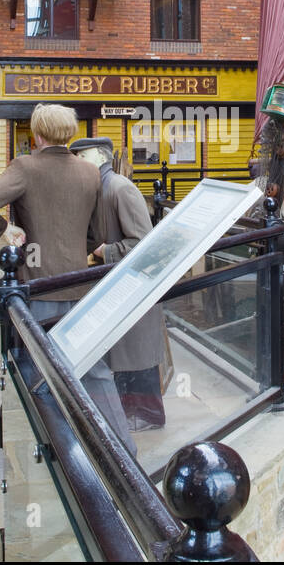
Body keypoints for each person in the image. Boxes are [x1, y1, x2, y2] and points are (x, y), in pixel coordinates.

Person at [0, 104, 137, 454]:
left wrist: (6, 229)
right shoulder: (91, 173)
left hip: (39, 284)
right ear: (70, 134)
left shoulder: (25, 167)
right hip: (81, 282)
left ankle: (62, 451)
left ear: (38, 134)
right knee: (94, 369)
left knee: (40, 370)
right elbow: (93, 234)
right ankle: (123, 451)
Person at [73, 137, 168, 431]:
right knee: (123, 357)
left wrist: (104, 252)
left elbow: (145, 244)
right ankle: (127, 414)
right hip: (114, 288)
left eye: (80, 156)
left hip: (131, 292)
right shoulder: (99, 188)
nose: (75, 163)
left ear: (96, 157)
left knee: (136, 357)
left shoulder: (121, 189)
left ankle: (146, 416)